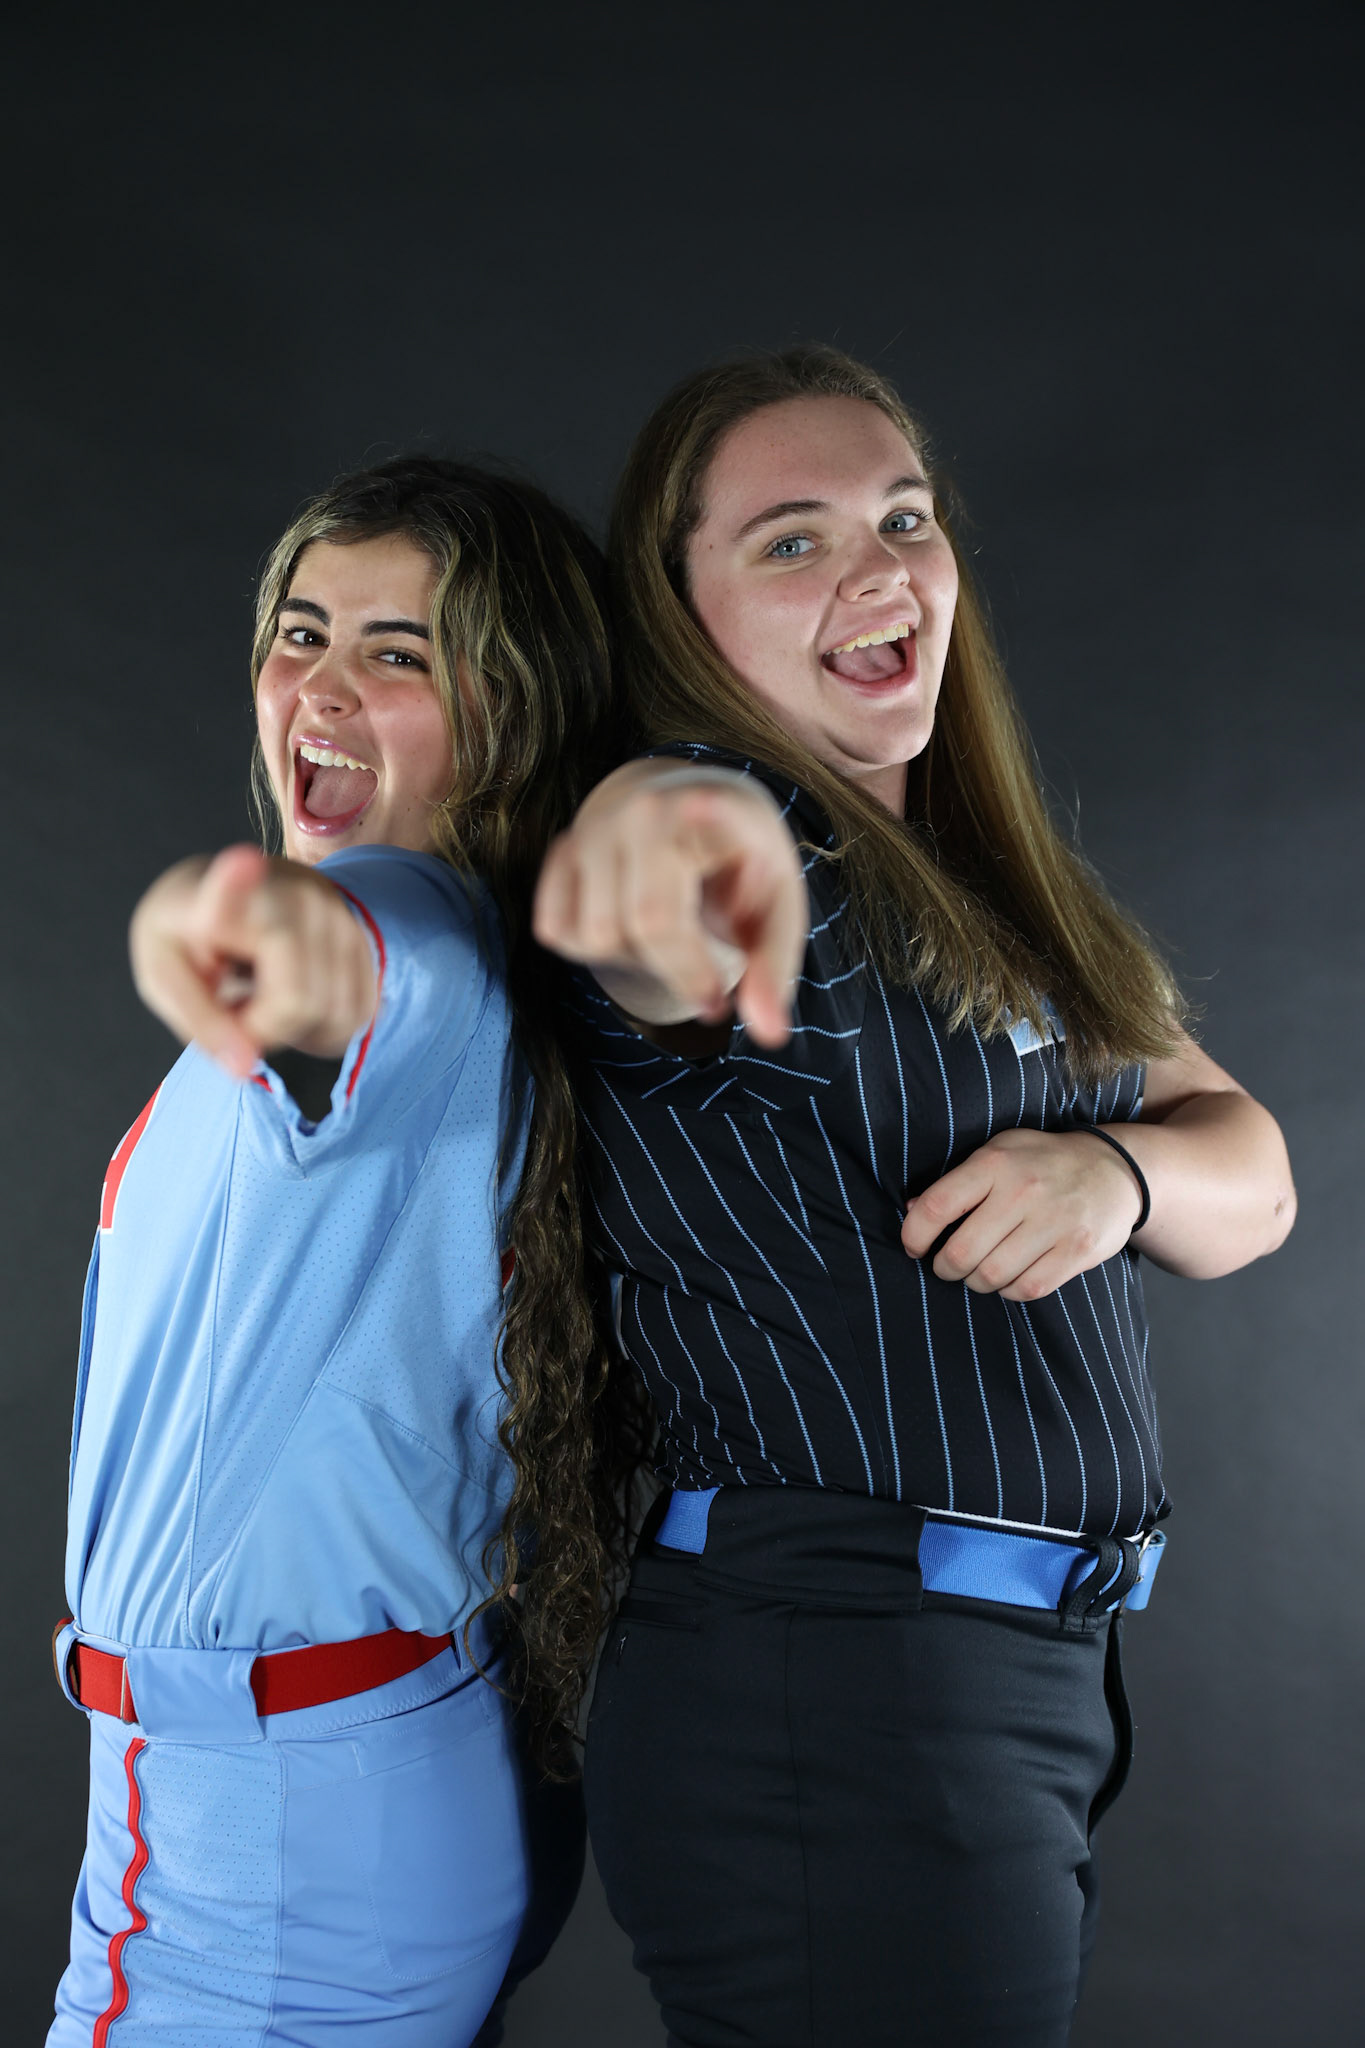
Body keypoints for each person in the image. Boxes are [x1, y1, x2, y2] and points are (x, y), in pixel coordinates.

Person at [535, 346, 1297, 2048]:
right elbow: (641, 874)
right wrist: (650, 841)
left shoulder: (998, 889)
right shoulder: (729, 828)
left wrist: (1116, 1170)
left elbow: (1250, 1178)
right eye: (790, 542)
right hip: (833, 1674)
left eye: (903, 517)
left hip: (1014, 1683)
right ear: (683, 615)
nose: (880, 569)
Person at [49, 457, 640, 2045]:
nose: (320, 688)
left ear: (511, 715)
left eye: (400, 654)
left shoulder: (419, 933)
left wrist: (252, 930)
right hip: (254, 1811)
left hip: (279, 1855)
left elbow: (347, 962)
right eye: (301, 634)